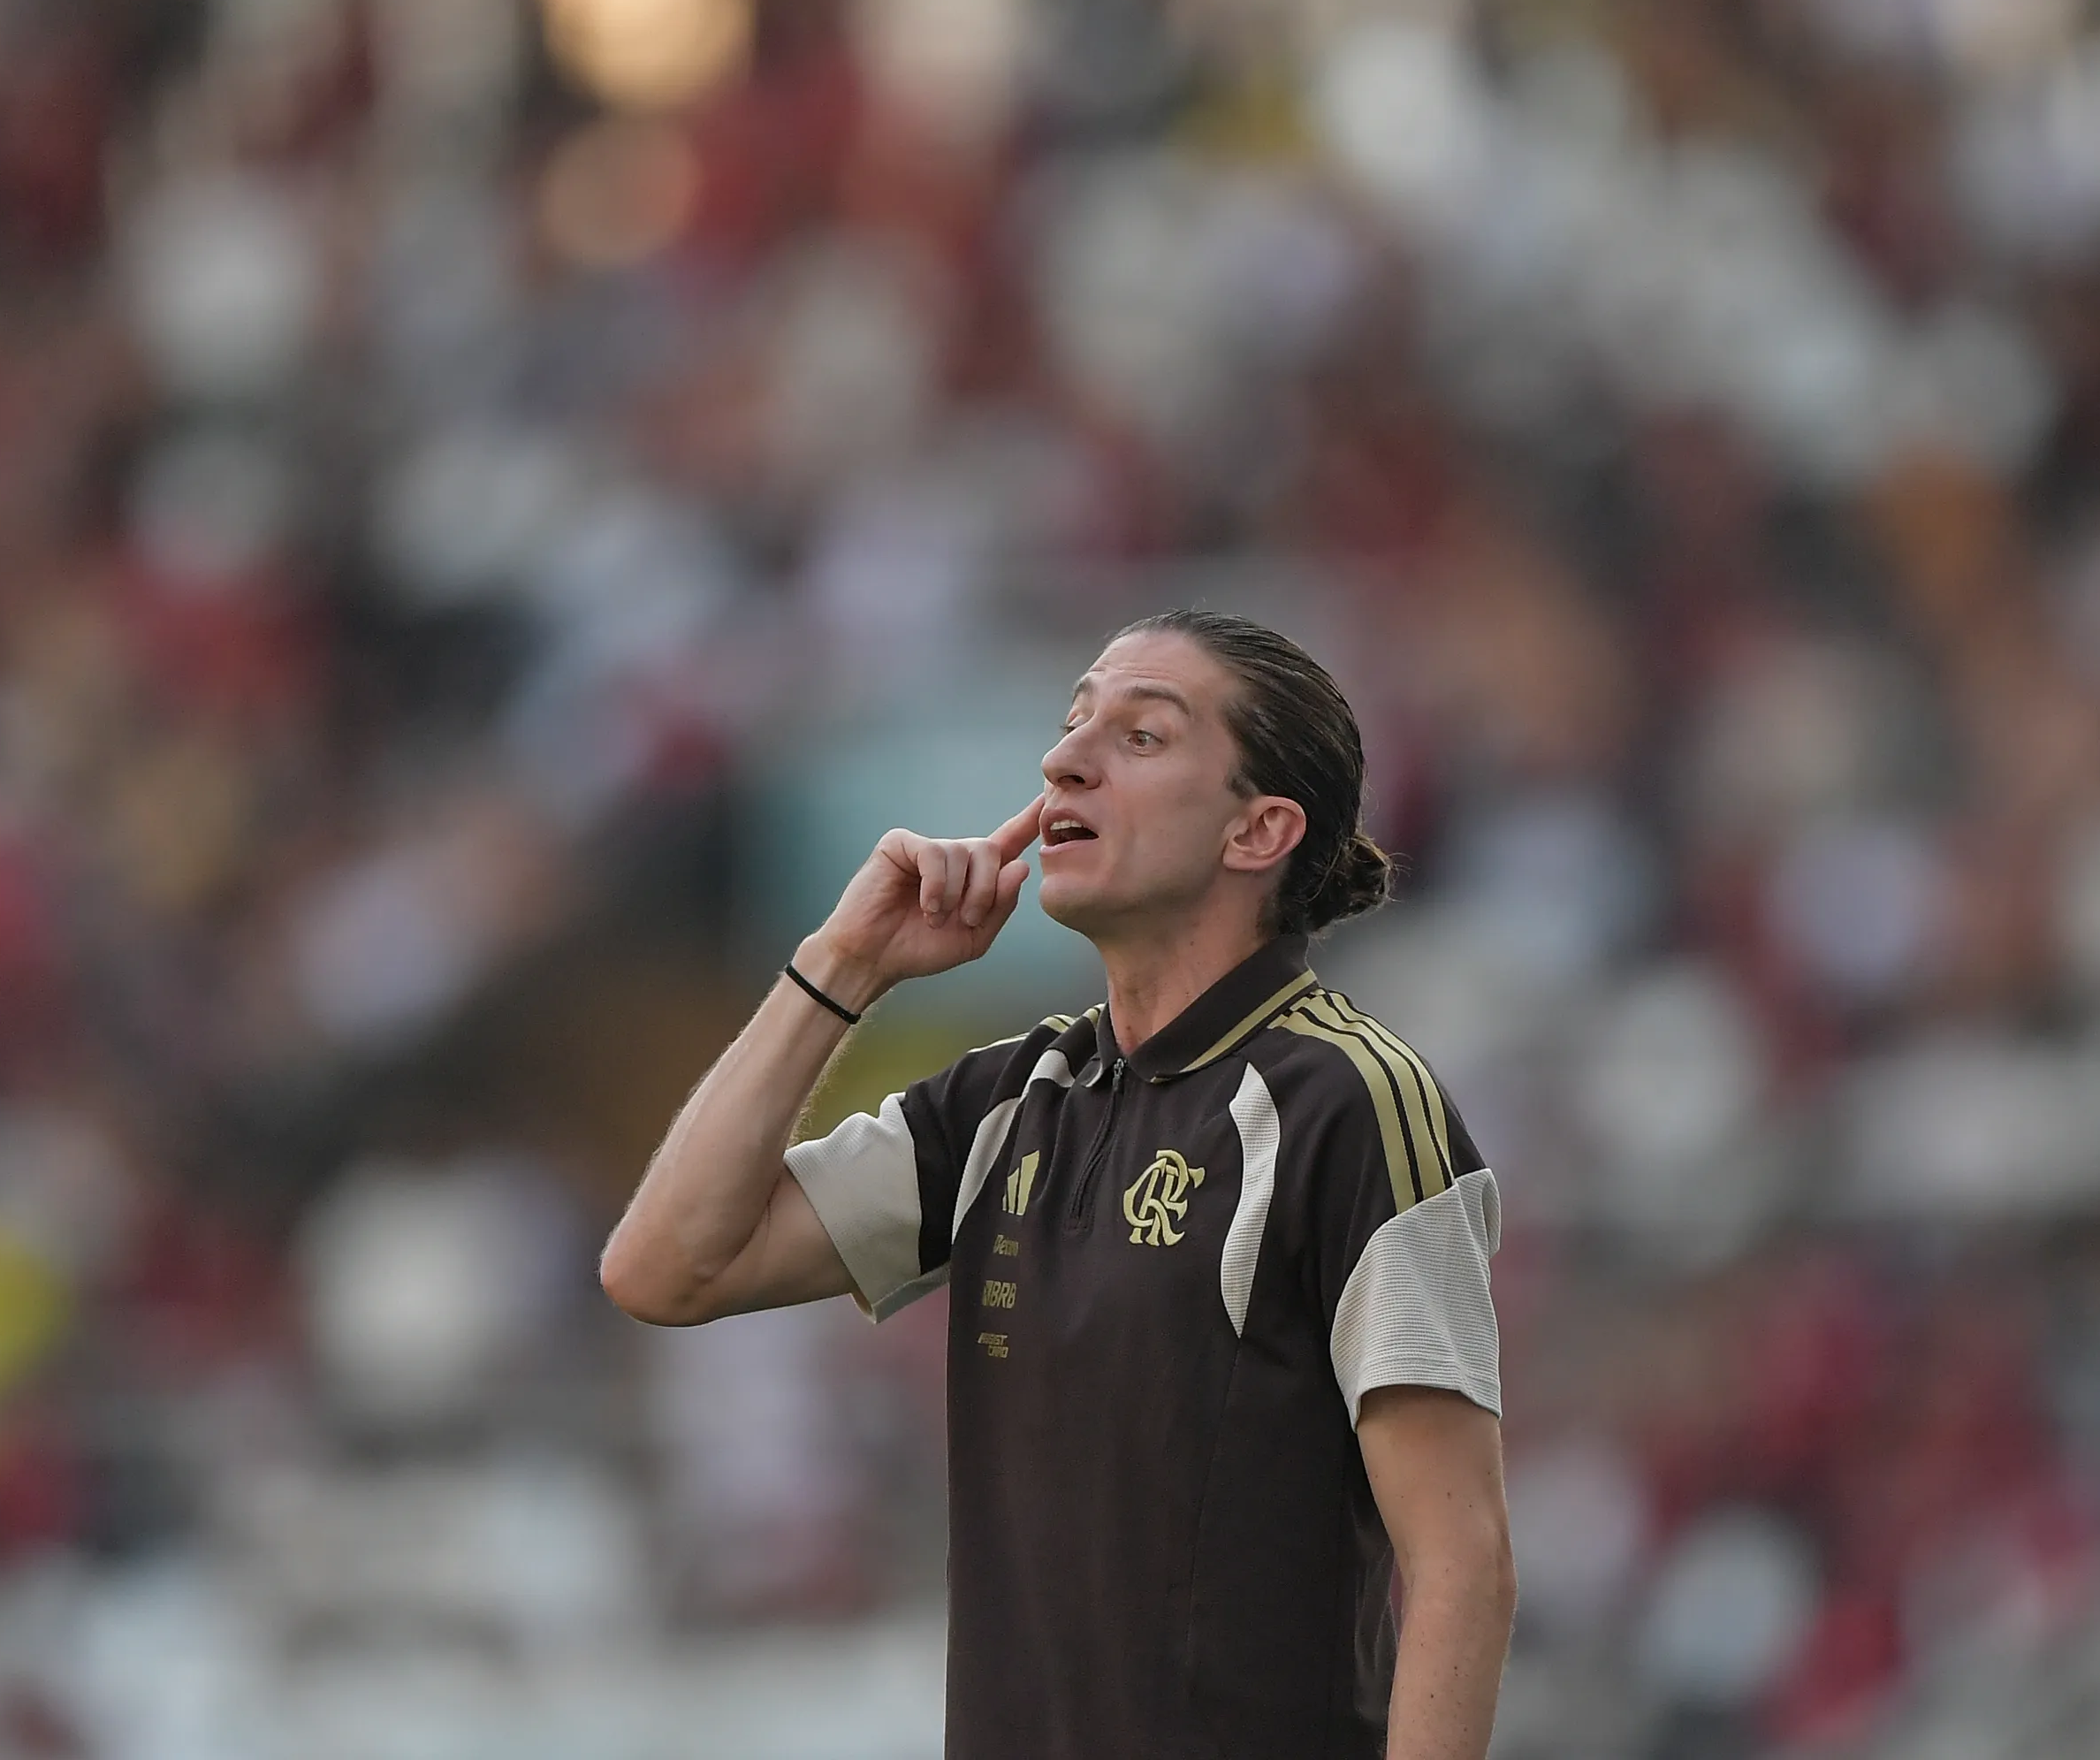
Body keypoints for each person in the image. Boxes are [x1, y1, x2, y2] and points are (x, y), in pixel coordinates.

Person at [601, 609, 1514, 1759]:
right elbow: (665, 1267)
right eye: (1075, 720)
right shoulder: (1008, 1103)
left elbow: (1461, 1556)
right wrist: (844, 966)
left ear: (1259, 829)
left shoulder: (1348, 1103)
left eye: (1141, 737)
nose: (1063, 758)